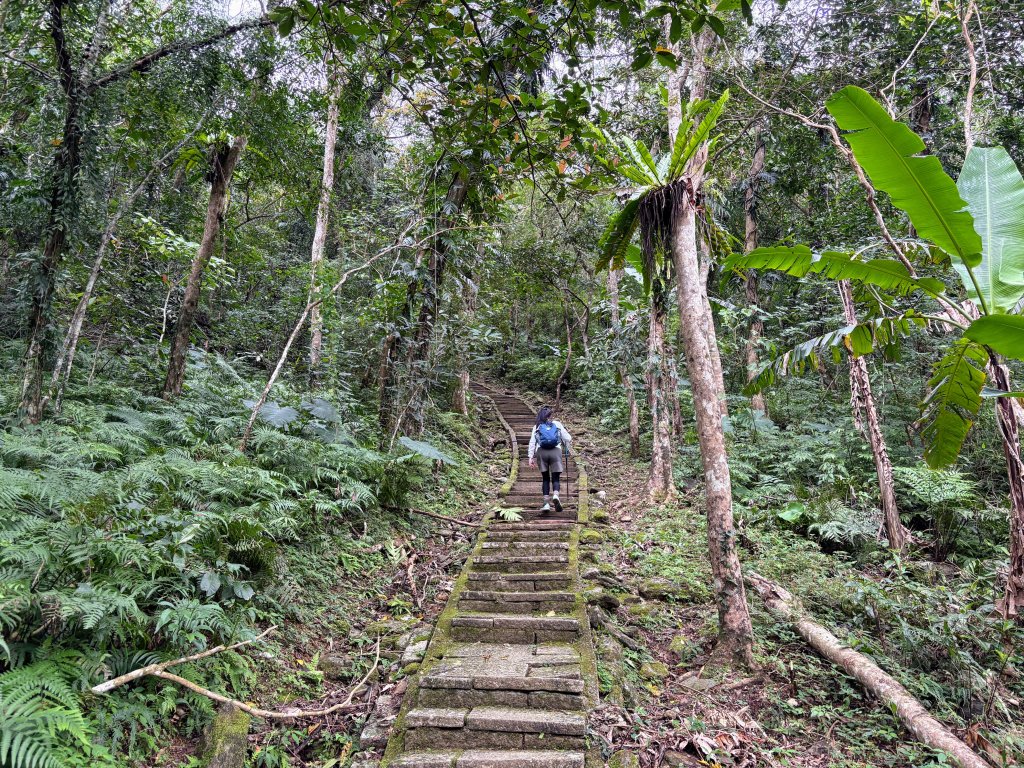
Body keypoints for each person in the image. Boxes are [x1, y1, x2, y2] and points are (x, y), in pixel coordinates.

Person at [527, 406, 573, 513]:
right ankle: (556, 495)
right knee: (556, 477)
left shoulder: (537, 426)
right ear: (550, 416)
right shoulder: (557, 424)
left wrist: (530, 457)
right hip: (555, 451)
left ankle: (546, 503)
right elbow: (568, 438)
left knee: (546, 478)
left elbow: (532, 442)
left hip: (541, 452)